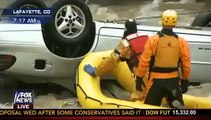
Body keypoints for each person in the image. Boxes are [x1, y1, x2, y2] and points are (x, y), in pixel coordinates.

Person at [136, 9, 191, 108]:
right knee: (178, 108)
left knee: (150, 109)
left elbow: (144, 61)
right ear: (175, 23)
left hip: (156, 81)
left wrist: (139, 78)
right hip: (173, 82)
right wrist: (185, 81)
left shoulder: (153, 40)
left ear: (162, 21)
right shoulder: (181, 41)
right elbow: (186, 63)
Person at [84, 19, 149, 101]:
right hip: (156, 73)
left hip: (142, 77)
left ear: (125, 29)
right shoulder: (146, 38)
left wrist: (96, 72)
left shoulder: (125, 43)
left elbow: (111, 60)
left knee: (138, 99)